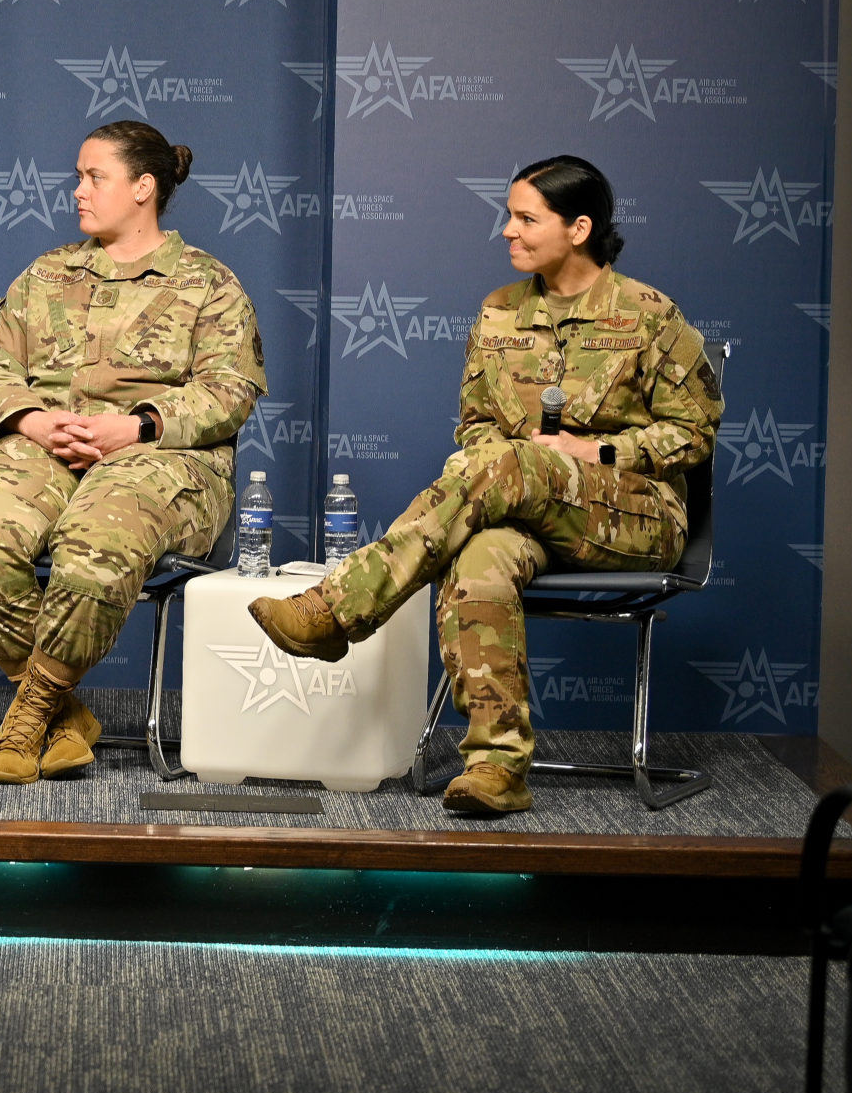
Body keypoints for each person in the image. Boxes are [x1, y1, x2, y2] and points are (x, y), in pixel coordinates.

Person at [248, 155, 723, 816]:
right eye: (509, 214)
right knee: (477, 556)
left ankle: (339, 606)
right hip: (519, 501)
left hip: (634, 516)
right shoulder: (498, 313)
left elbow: (694, 435)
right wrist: (509, 464)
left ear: (579, 227)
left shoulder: (648, 314)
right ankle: (497, 766)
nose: (507, 230)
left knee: (509, 467)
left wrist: (594, 447)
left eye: (526, 217)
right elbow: (475, 428)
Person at [0, 120, 265, 784]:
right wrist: (30, 419)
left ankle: (26, 719)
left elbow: (231, 390)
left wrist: (136, 426)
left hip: (163, 458)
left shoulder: (207, 283)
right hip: (48, 448)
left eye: (93, 176)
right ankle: (65, 711)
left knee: (95, 542)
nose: (77, 189)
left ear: (144, 187)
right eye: (78, 175)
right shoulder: (47, 273)